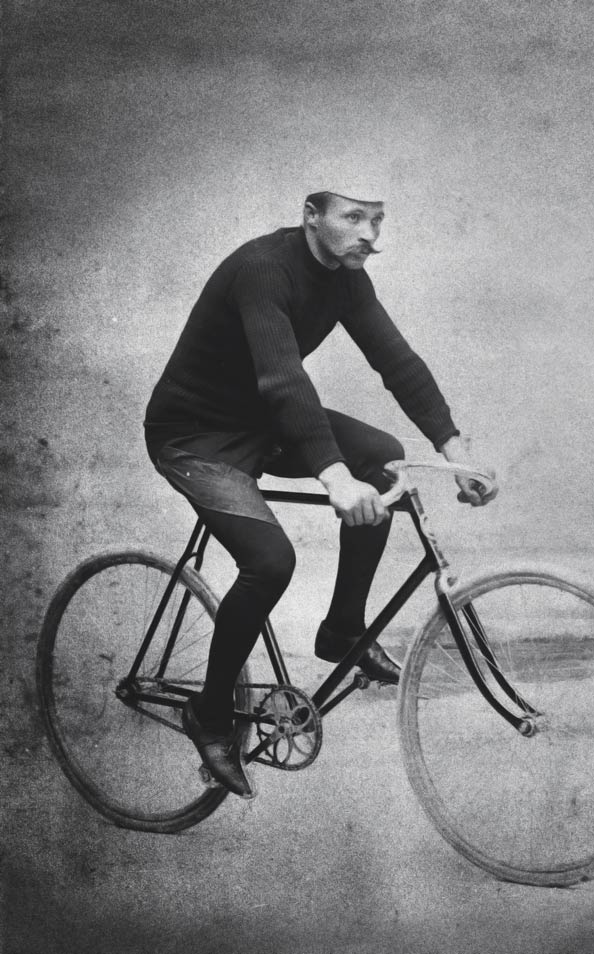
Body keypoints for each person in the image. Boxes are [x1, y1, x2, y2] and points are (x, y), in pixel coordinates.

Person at [144, 185, 497, 798]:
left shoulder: (347, 279)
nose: (369, 234)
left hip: (260, 421)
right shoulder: (262, 270)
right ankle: (208, 713)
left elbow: (398, 362)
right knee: (270, 563)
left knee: (386, 460)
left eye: (377, 220)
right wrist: (333, 475)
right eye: (354, 218)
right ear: (312, 217)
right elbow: (282, 377)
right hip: (195, 436)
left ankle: (341, 630)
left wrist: (456, 451)